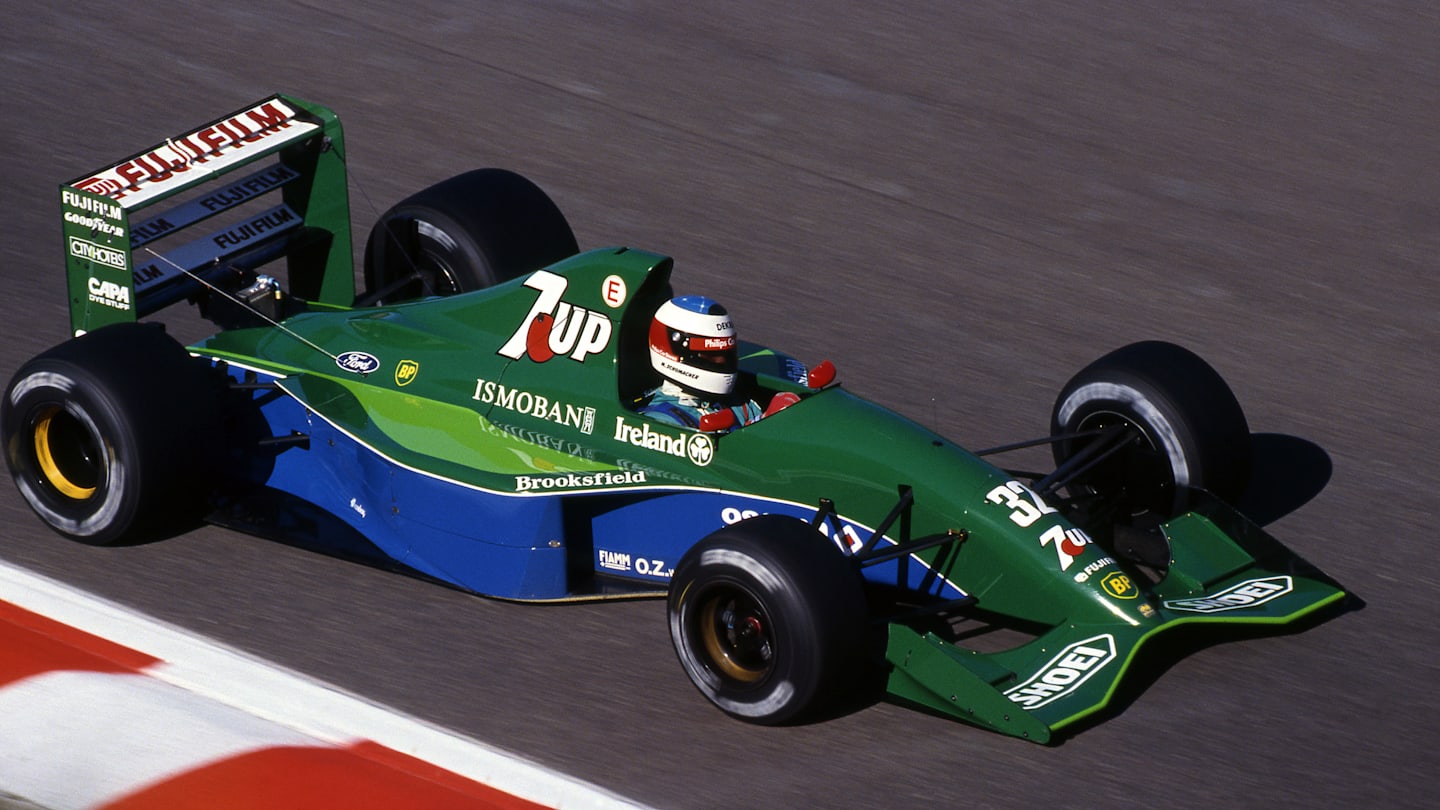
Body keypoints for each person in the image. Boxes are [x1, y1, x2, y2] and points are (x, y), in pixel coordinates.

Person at [637, 295, 763, 429]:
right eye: (712, 354)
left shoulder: (737, 403)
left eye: (726, 353)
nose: (722, 360)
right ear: (678, 352)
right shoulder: (660, 422)